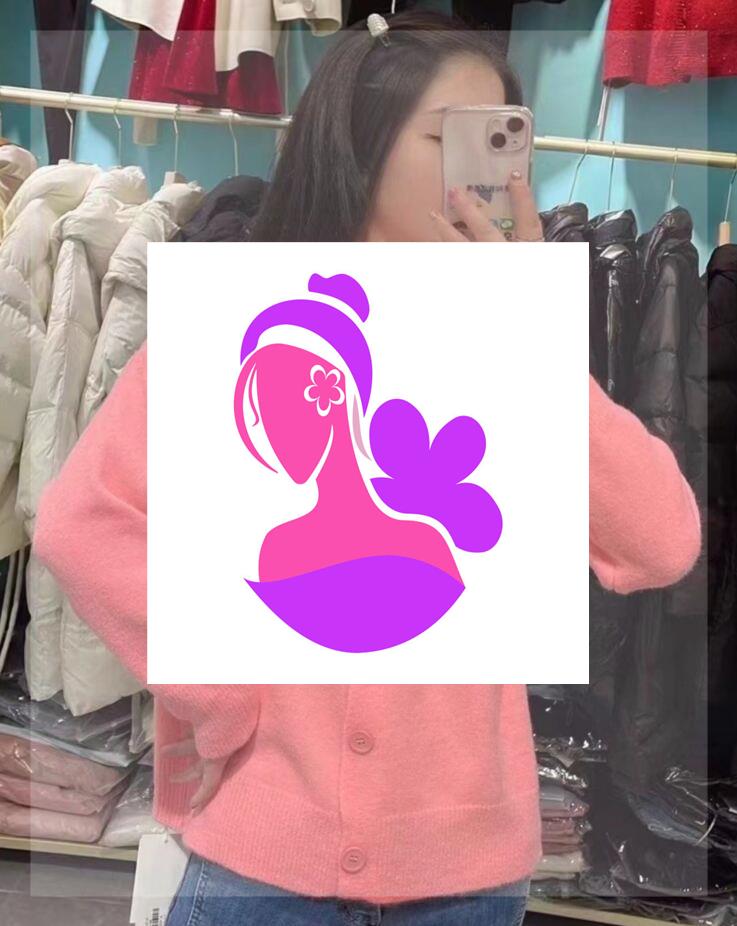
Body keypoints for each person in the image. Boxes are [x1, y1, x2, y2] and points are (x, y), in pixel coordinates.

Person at [32, 11, 702, 926]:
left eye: (504, 137)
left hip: (464, 874)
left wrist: (528, 340)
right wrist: (214, 684)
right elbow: (80, 521)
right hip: (260, 864)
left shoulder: (508, 345)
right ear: (361, 143)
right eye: (452, 136)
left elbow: (660, 542)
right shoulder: (247, 327)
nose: (488, 171)